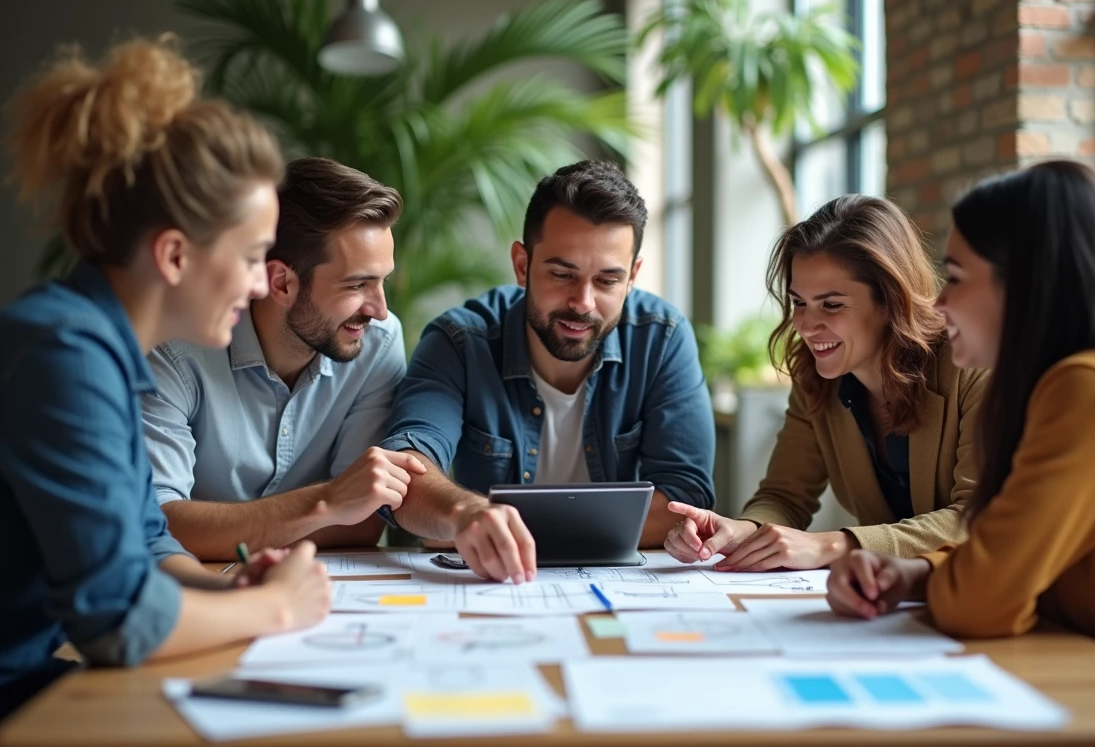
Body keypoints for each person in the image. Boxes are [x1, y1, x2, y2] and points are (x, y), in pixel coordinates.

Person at [0, 38, 330, 718]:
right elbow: (118, 621)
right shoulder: (64, 352)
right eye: (249, 257)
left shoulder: (101, 351)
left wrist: (230, 592)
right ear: (175, 255)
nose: (259, 284)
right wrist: (274, 607)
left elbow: (147, 542)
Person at [827, 161, 1095, 683]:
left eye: (956, 277)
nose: (939, 302)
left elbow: (980, 602)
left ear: (1027, 282)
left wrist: (931, 580)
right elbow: (1008, 551)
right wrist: (912, 574)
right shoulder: (1090, 380)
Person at [382, 160, 715, 582]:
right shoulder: (459, 341)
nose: (583, 302)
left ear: (632, 276)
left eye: (608, 281)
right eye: (562, 274)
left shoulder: (662, 338)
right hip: (485, 585)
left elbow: (685, 499)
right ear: (522, 265)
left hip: (619, 587)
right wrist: (466, 514)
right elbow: (405, 473)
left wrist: (476, 528)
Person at [665, 195, 987, 571]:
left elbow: (977, 516)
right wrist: (740, 530)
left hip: (980, 597)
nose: (805, 325)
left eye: (831, 305)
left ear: (891, 302)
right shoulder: (816, 377)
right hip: (887, 600)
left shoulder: (972, 362)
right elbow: (784, 496)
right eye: (799, 302)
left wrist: (837, 545)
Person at [142, 157, 421, 560]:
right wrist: (326, 503)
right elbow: (159, 524)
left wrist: (226, 529)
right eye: (358, 284)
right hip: (197, 594)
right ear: (281, 282)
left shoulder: (377, 342)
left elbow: (363, 519)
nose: (379, 309)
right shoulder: (174, 352)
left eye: (382, 281)